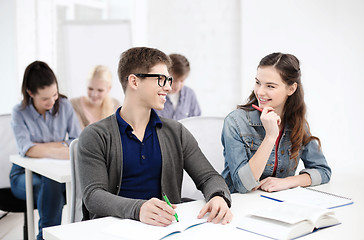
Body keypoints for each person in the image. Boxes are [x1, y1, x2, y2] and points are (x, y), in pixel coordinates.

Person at [77, 47, 232, 226]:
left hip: (165, 228)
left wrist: (218, 196)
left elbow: (209, 177)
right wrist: (138, 209)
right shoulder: (95, 135)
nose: (168, 87)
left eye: (168, 79)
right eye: (160, 79)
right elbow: (94, 196)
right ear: (134, 81)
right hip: (112, 229)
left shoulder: (176, 132)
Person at [221, 52, 331, 194]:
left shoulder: (296, 122)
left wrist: (286, 182)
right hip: (238, 204)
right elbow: (243, 185)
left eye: (270, 86)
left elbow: (323, 171)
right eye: (258, 83)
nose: (260, 92)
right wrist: (271, 136)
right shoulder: (235, 122)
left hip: (277, 204)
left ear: (291, 89)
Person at [10, 61, 81, 240]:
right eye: (44, 98)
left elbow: (76, 141)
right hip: (23, 176)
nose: (51, 102)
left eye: (54, 94)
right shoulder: (19, 112)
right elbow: (26, 149)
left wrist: (41, 147)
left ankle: (45, 236)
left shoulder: (64, 105)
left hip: (55, 175)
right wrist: (59, 146)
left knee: (53, 183)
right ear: (30, 93)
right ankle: (48, 236)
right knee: (53, 185)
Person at [155, 53, 201, 120]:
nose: (177, 86)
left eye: (182, 81)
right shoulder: (154, 95)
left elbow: (196, 122)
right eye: (174, 80)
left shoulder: (189, 94)